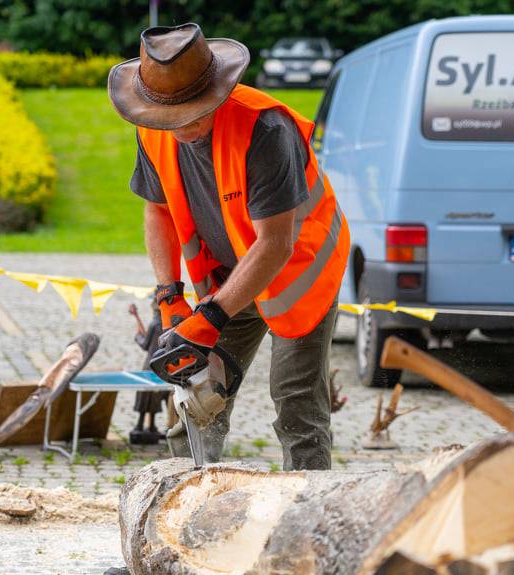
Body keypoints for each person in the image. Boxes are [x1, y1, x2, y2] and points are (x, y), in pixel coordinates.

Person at [108, 23, 349, 470]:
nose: (179, 126)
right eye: (170, 116)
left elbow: (275, 243)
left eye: (192, 113)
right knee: (197, 398)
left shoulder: (265, 128)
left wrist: (212, 317)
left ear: (217, 92)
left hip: (297, 271)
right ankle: (181, 502)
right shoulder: (152, 128)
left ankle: (310, 514)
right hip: (228, 274)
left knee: (296, 403)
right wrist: (170, 297)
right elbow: (157, 211)